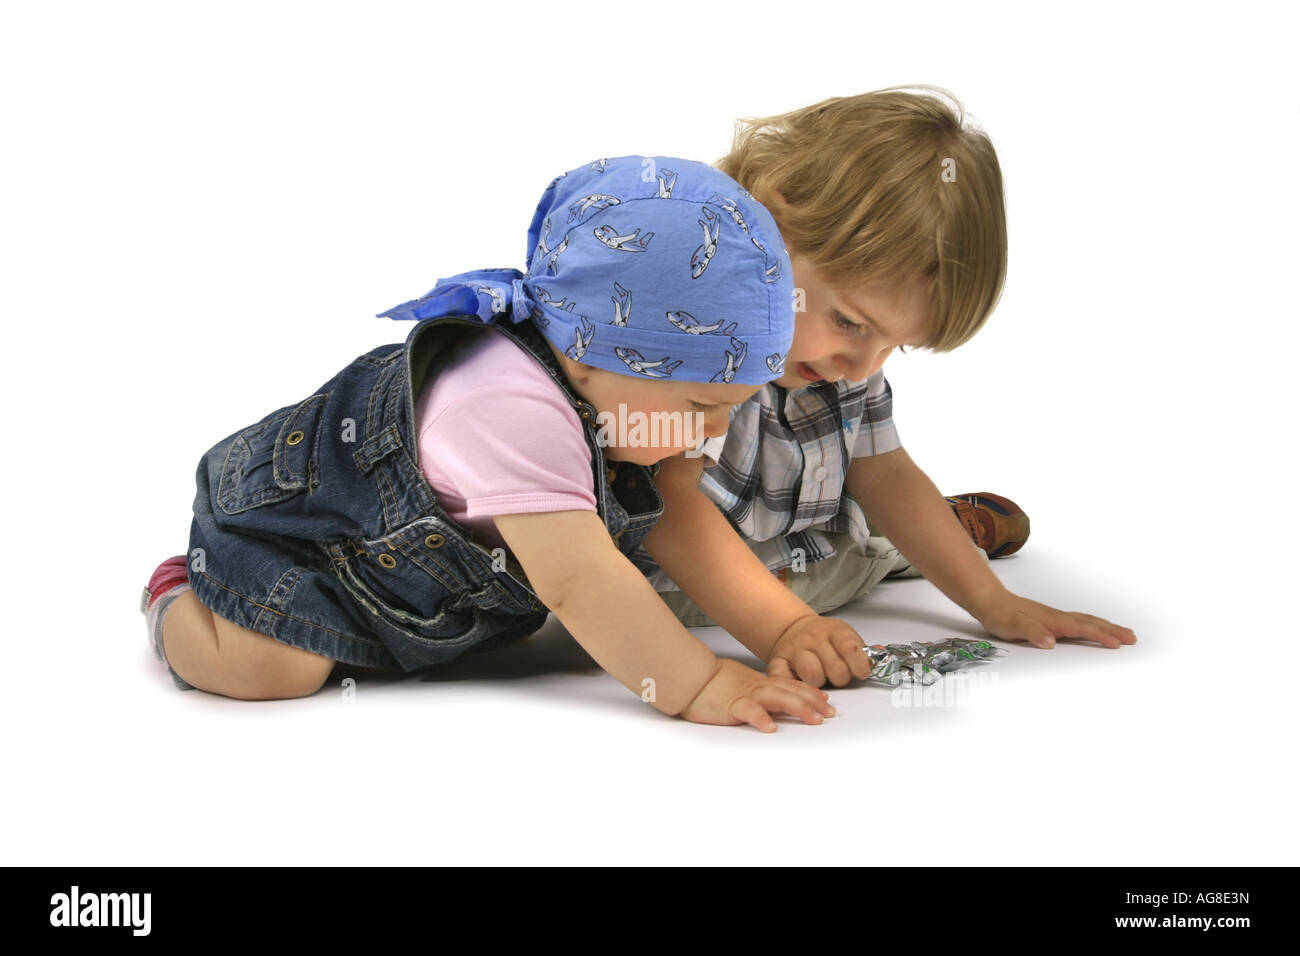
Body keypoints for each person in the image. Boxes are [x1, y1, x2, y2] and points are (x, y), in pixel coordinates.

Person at [140, 154, 838, 732]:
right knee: (274, 672)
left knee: (345, 657)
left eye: (732, 410)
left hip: (404, 593)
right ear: (598, 355)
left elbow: (683, 531)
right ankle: (179, 594)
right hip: (288, 540)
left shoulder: (619, 402)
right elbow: (578, 581)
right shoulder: (509, 406)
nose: (714, 435)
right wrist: (697, 682)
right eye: (703, 406)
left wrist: (784, 630)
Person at [638, 87, 1138, 688]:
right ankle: (938, 530)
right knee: (868, 554)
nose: (861, 366)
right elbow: (667, 508)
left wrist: (992, 602)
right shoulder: (691, 337)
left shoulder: (839, 357)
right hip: (694, 580)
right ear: (769, 229)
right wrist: (785, 629)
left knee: (875, 518)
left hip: (808, 540)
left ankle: (938, 535)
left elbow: (886, 472)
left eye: (892, 345)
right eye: (850, 323)